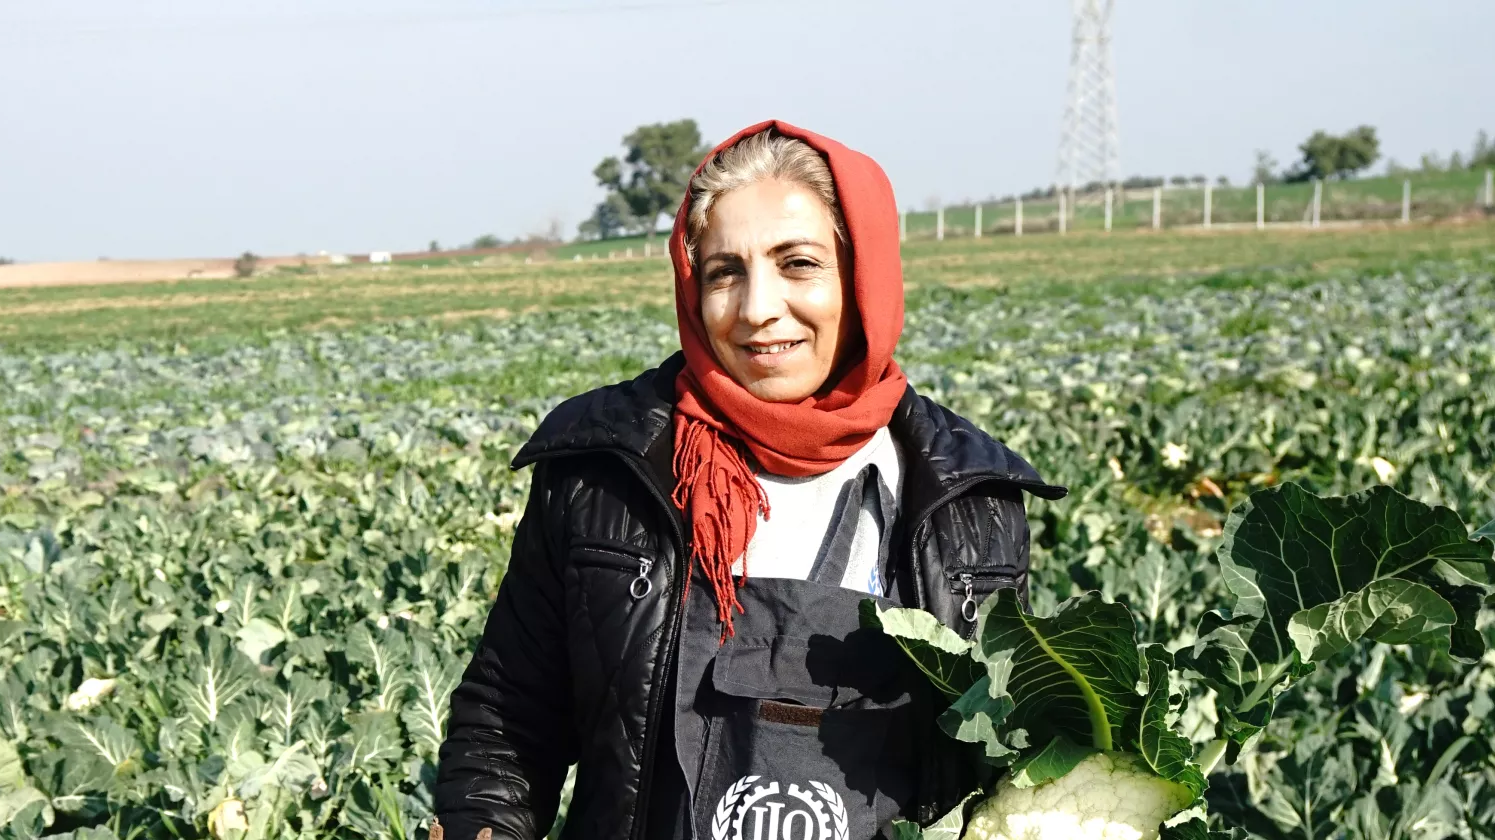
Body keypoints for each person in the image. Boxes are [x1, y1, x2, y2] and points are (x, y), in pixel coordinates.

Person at [430, 120, 1064, 840]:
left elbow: (995, 766)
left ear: (863, 278)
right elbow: (510, 720)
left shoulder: (968, 503)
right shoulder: (609, 473)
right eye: (725, 271)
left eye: (797, 263)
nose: (758, 308)